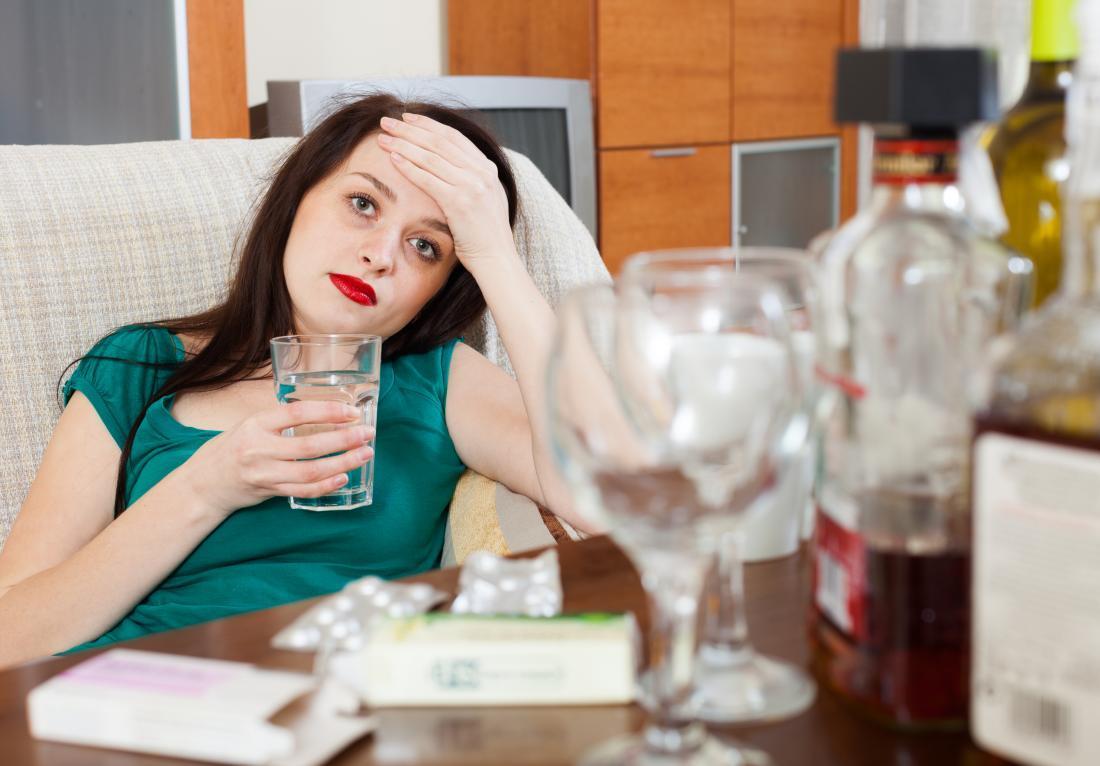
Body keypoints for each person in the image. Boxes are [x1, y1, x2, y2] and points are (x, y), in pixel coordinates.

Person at [0, 94, 592, 667]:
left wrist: (494, 254)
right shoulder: (142, 364)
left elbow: (605, 495)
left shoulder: (439, 378)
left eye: (425, 245)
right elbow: (10, 638)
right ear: (295, 200)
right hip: (130, 692)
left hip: (329, 700)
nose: (381, 255)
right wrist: (210, 485)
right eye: (363, 203)